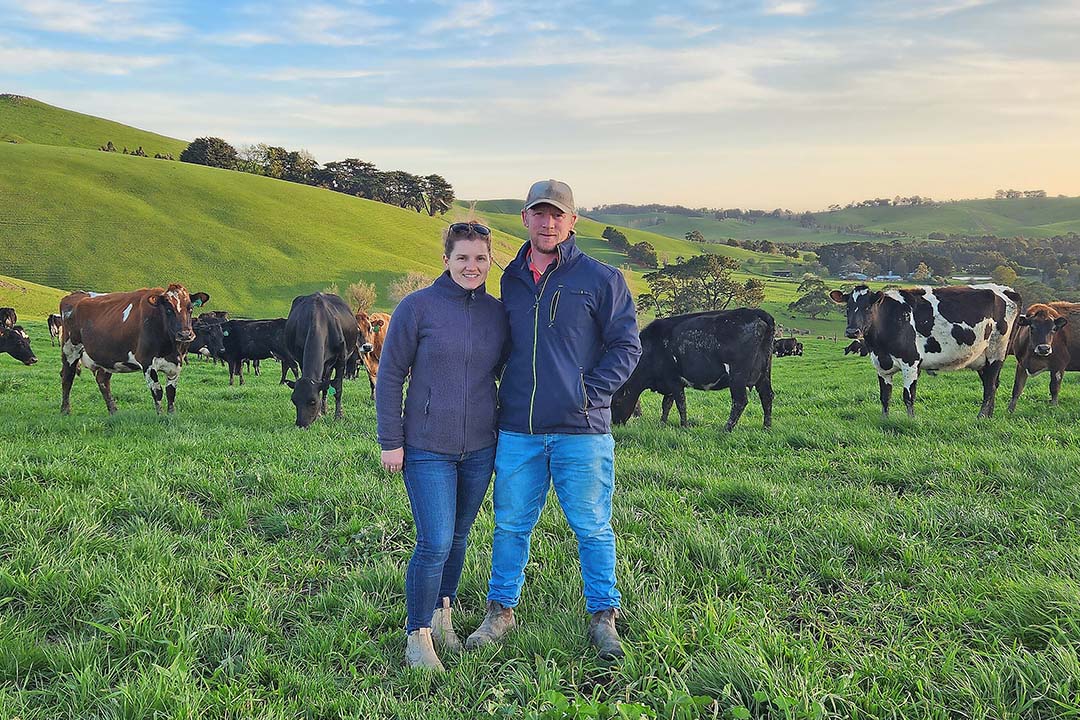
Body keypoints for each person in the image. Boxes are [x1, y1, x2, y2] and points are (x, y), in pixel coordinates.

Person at [465, 180, 641, 660]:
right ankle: (500, 611)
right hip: (518, 428)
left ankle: (603, 615)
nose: (547, 223)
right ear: (524, 218)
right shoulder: (511, 278)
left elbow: (627, 346)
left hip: (581, 431)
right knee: (510, 525)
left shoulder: (602, 279)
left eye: (556, 215)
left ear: (572, 221)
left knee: (591, 525)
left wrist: (589, 395)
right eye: (538, 214)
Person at [376, 221, 508, 671]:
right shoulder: (417, 308)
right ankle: (418, 636)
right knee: (433, 542)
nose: (472, 267)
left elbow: (510, 371)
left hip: (479, 448)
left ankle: (443, 614)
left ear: (490, 261)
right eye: (462, 258)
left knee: (458, 537)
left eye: (480, 258)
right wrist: (391, 441)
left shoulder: (496, 313)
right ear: (446, 260)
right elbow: (390, 376)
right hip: (426, 446)